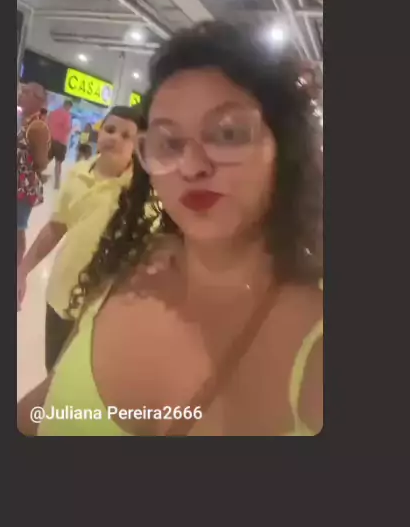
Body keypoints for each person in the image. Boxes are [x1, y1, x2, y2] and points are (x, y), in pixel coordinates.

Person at [18, 22, 323, 437]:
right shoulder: (129, 268)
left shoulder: (315, 339)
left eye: (228, 134)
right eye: (169, 142)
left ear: (284, 147)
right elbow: (45, 407)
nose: (191, 166)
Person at [17, 106, 142, 372]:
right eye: (110, 130)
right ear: (100, 132)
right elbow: (55, 228)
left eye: (126, 135)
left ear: (137, 146)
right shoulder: (78, 173)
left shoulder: (140, 193)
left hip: (102, 311)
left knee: (79, 379)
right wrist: (22, 270)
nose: (115, 138)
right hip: (61, 296)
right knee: (53, 370)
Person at [17, 83, 51, 268]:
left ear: (39, 100)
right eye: (22, 91)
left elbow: (42, 162)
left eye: (26, 92)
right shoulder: (23, 119)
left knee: (17, 228)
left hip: (23, 187)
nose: (21, 94)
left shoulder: (37, 127)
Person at [47, 100, 73, 189]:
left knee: (46, 159)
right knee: (58, 163)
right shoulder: (67, 115)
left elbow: (47, 123)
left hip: (51, 139)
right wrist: (72, 128)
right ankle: (57, 184)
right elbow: (67, 129)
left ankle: (36, 175)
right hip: (61, 142)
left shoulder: (53, 113)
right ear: (68, 106)